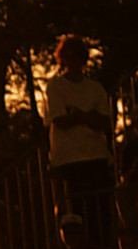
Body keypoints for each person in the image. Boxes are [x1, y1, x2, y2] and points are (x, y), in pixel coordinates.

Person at [41, 36, 116, 234]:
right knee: (74, 216)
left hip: (96, 157)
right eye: (69, 56)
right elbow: (60, 121)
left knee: (100, 215)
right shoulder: (55, 86)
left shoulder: (95, 88)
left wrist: (77, 114)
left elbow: (105, 123)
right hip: (68, 160)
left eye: (77, 56)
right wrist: (89, 117)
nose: (73, 61)